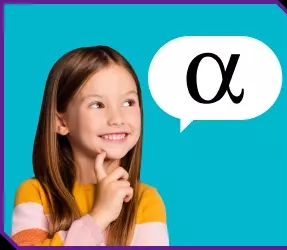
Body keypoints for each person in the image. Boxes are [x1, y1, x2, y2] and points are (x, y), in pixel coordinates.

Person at [10, 45, 169, 246]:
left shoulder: (145, 200)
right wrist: (100, 216)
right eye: (97, 105)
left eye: (128, 102)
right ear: (61, 122)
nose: (117, 118)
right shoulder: (35, 195)